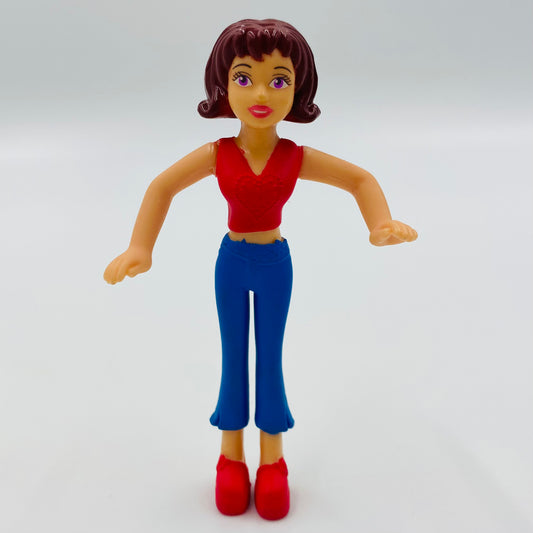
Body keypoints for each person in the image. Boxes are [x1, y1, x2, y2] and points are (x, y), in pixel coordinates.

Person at [104, 18, 417, 520]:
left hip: (274, 266)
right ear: (224, 85)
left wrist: (379, 223)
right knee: (234, 358)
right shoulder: (217, 154)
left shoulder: (295, 156)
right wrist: (141, 247)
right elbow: (162, 187)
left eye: (279, 80)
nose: (261, 94)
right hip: (231, 264)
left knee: (269, 359)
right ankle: (230, 457)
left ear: (298, 89)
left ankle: (273, 460)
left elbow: (360, 180)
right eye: (245, 77)